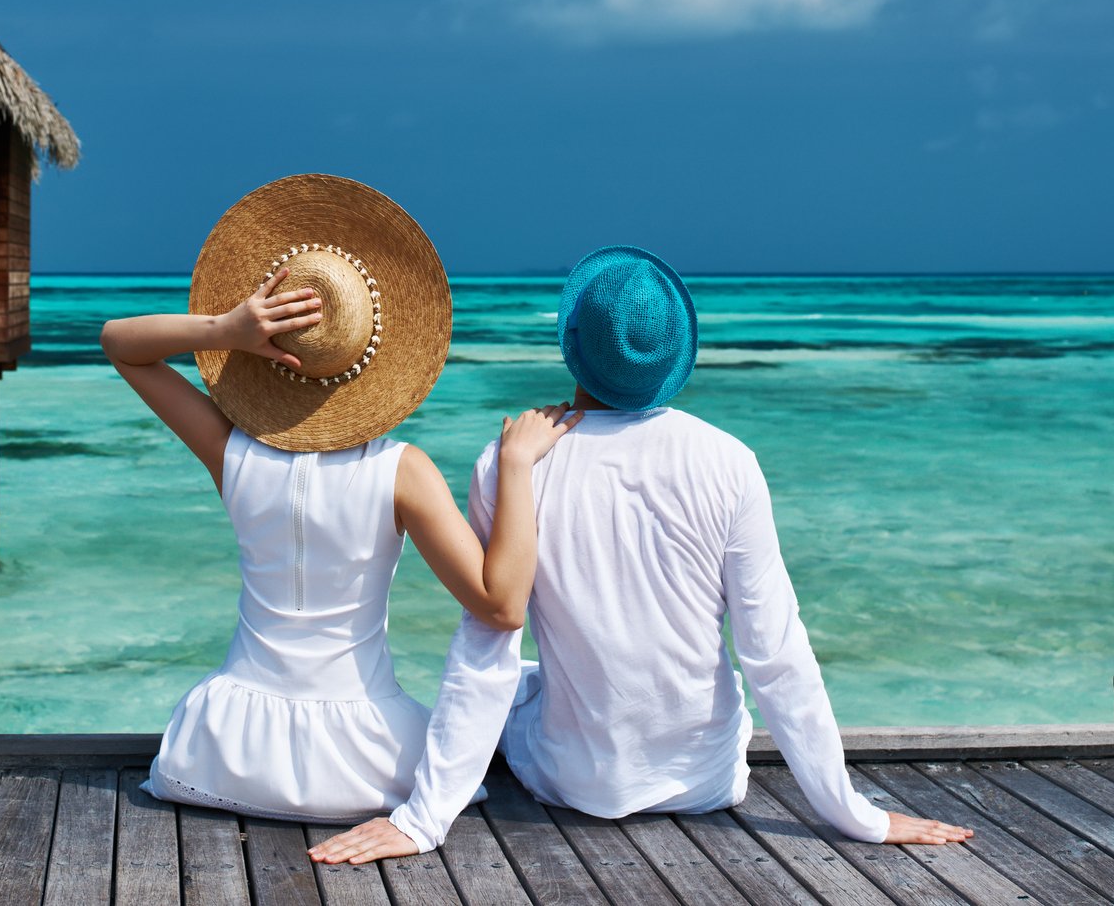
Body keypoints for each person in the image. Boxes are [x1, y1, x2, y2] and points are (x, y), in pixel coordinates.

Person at [311, 245, 972, 863]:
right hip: (707, 780)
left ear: (571, 346)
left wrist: (422, 820)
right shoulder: (729, 463)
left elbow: (484, 651)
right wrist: (856, 815)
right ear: (670, 354)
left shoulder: (507, 462)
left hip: (571, 783)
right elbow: (775, 654)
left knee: (520, 679)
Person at [100, 173, 579, 828]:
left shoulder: (231, 453)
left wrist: (225, 329)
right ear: (380, 356)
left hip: (215, 756)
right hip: (364, 766)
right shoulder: (400, 472)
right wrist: (517, 467)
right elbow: (500, 606)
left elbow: (121, 347)